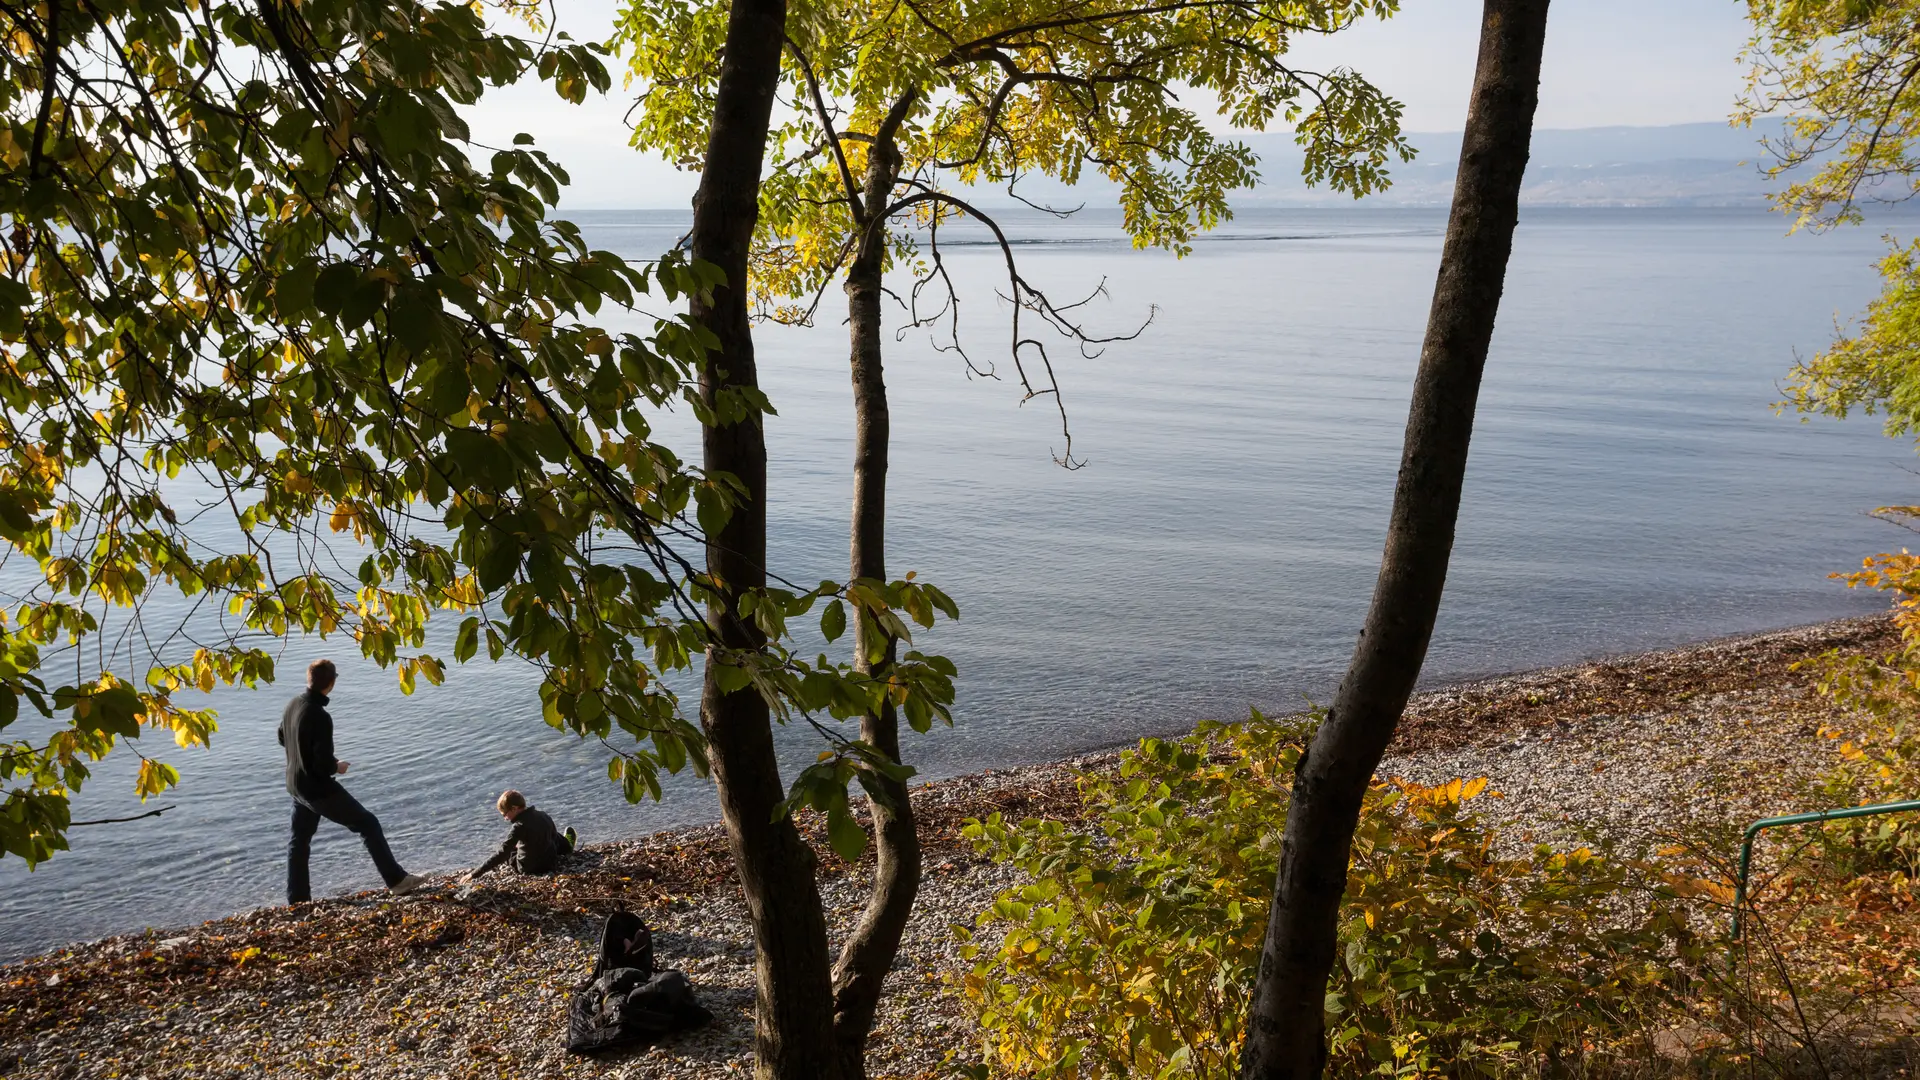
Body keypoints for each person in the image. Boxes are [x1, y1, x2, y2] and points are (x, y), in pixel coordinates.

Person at [279, 658, 427, 902]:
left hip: (296, 786)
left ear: (309, 678)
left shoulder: (292, 704)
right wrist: (338, 766)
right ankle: (397, 880)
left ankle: (297, 900)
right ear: (331, 683)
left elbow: (282, 737)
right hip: (318, 790)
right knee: (368, 824)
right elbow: (323, 765)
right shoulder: (320, 716)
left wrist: (300, 754)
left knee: (299, 841)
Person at [460, 789, 575, 882]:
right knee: (552, 835)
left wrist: (474, 874)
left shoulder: (519, 826)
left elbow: (502, 854)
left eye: (505, 814)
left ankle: (522, 846)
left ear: (514, 808)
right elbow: (553, 836)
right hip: (550, 863)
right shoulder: (543, 815)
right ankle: (568, 846)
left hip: (528, 868)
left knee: (507, 849)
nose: (505, 818)